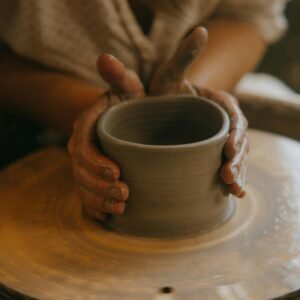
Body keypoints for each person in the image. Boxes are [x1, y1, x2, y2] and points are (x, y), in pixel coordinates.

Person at [0, 0, 289, 221]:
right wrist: (89, 113)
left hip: (207, 73)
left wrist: (187, 100)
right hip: (33, 111)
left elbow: (247, 16)